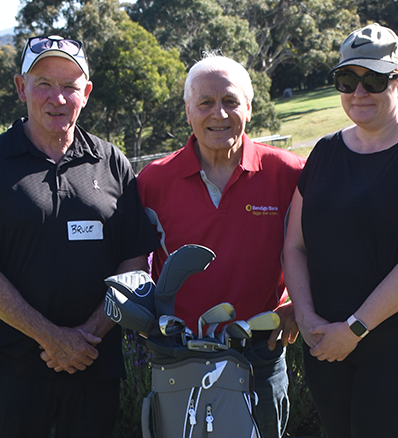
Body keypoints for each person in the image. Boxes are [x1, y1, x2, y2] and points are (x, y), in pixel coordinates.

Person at [0, 35, 159, 438]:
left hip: (95, 365)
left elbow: (133, 262)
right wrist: (53, 338)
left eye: (70, 86)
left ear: (87, 93)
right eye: (43, 83)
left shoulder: (112, 163)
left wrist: (87, 336)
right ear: (21, 87)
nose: (57, 98)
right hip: (13, 373)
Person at [283, 23, 398, 438]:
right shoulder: (326, 151)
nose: (359, 91)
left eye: (374, 79)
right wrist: (309, 317)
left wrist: (353, 329)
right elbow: (294, 246)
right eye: (347, 79)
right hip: (326, 338)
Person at [136, 54, 306, 438]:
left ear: (249, 106)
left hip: (260, 357)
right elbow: (134, 266)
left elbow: (326, 249)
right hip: (179, 358)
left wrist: (301, 304)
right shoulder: (153, 181)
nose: (219, 113)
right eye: (206, 102)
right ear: (188, 111)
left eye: (230, 101)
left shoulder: (290, 172)